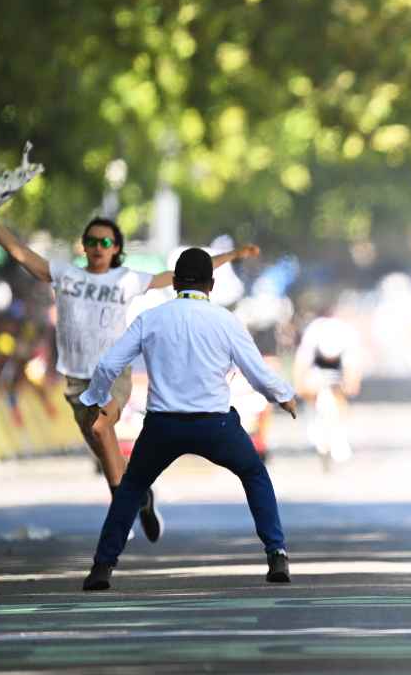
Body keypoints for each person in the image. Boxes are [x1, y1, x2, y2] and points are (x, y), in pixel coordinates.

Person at [0, 190, 258, 542]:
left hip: (113, 374)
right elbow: (20, 252)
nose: (98, 246)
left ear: (116, 248)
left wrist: (233, 255)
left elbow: (179, 275)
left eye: (105, 241)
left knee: (104, 430)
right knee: (106, 454)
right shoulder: (66, 276)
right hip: (76, 381)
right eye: (92, 241)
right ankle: (140, 498)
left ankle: (123, 506)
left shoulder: (127, 280)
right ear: (83, 246)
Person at [78, 248, 298, 590]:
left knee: (132, 488)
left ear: (176, 282)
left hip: (163, 426)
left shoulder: (152, 318)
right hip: (216, 426)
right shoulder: (225, 320)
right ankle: (277, 554)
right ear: (211, 285)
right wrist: (283, 396)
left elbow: (108, 365)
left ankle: (102, 567)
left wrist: (94, 399)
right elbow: (255, 371)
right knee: (254, 472)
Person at [292, 310, 362, 465]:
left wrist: (349, 387)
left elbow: (353, 372)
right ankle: (315, 423)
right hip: (316, 365)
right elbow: (301, 366)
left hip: (340, 366)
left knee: (340, 397)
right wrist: (301, 388)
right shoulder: (313, 334)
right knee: (310, 390)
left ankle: (340, 435)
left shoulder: (348, 337)